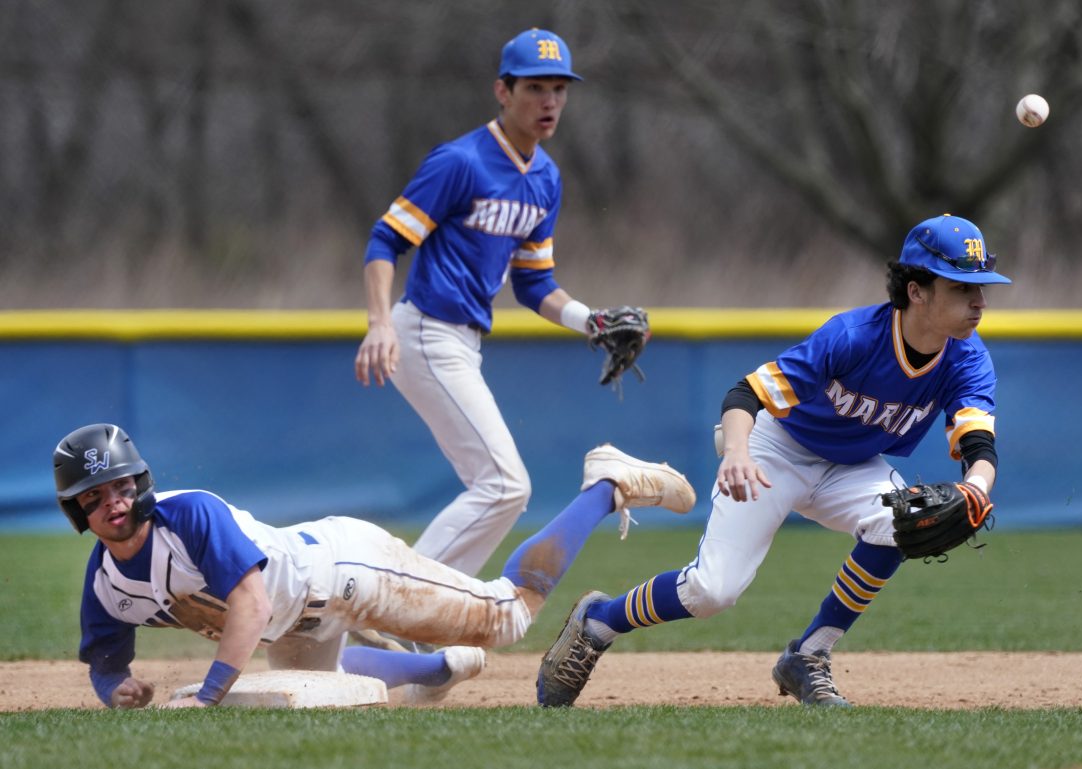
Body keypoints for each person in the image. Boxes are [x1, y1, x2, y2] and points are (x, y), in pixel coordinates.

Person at [537, 213, 1012, 708]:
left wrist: (976, 488)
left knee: (899, 521)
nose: (979, 301)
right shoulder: (852, 336)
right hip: (776, 450)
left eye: (981, 288)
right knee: (712, 592)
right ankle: (597, 623)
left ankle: (808, 655)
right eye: (963, 287)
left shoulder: (968, 358)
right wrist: (738, 453)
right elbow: (746, 393)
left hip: (852, 465)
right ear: (917, 291)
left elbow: (978, 442)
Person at [54, 423, 694, 708]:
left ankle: (603, 486)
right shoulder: (106, 585)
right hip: (296, 622)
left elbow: (247, 606)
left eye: (121, 486)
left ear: (141, 483)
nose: (113, 502)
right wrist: (119, 690)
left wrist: (211, 693)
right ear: (76, 513)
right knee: (313, 690)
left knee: (507, 616)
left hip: (347, 569)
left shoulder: (186, 515)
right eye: (94, 497)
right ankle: (435, 668)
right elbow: (106, 662)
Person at [353, 28, 639, 578]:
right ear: (502, 92)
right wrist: (379, 322)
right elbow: (385, 239)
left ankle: (410, 603)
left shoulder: (546, 179)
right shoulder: (460, 161)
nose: (549, 101)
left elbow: (534, 283)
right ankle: (397, 597)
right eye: (535, 87)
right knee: (505, 485)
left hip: (460, 342)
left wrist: (590, 321)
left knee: (500, 488)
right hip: (425, 331)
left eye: (559, 88)